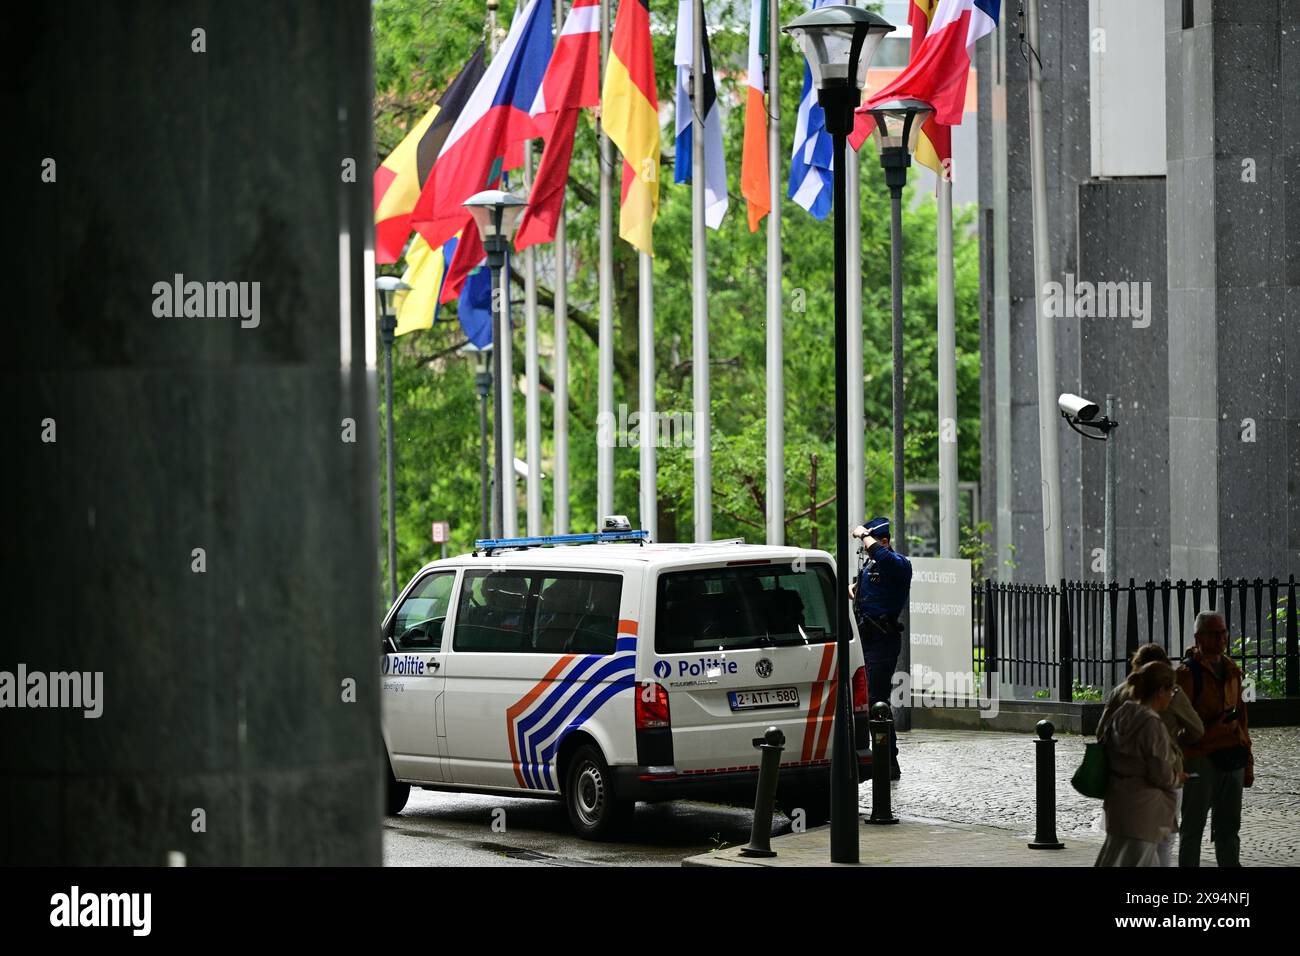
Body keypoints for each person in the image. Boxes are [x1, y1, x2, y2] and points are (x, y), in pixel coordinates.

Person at [1098, 643, 1203, 866]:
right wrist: (1177, 775)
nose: (1172, 695)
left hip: (1119, 798)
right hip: (1146, 806)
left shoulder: (1123, 710)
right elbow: (1160, 773)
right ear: (1160, 691)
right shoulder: (1151, 724)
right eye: (1171, 691)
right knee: (1155, 854)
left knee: (1116, 857)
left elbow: (1102, 737)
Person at [1177, 610, 1253, 867]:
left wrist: (1248, 762)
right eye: (1215, 633)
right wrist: (1210, 733)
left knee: (1229, 828)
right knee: (1193, 828)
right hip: (1200, 758)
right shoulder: (1186, 675)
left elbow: (1242, 719)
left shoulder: (1232, 671)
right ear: (1199, 637)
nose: (1222, 638)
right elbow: (1176, 726)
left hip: (1232, 758)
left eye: (1223, 632)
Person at [849, 516, 912, 779]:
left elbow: (885, 559)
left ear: (883, 541)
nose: (865, 548)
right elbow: (862, 593)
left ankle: (888, 762)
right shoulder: (873, 566)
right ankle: (886, 762)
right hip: (865, 639)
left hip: (883, 641)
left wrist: (864, 534)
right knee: (870, 700)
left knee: (877, 701)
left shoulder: (897, 564)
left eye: (870, 542)